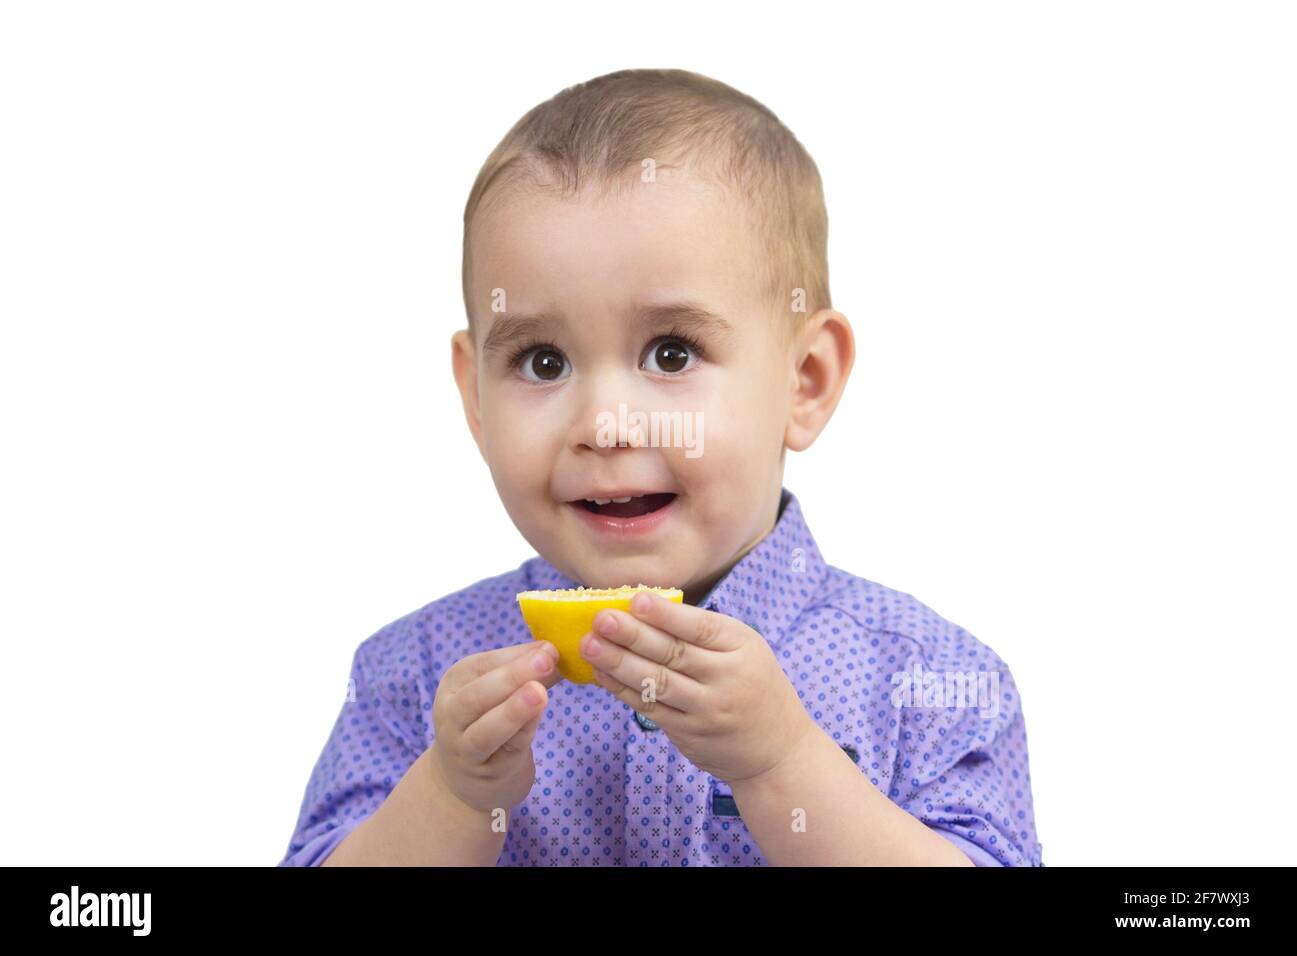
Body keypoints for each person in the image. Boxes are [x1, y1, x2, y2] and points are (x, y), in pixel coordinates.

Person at [278, 68, 1042, 866]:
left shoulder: (933, 680)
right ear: (475, 395)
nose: (604, 425)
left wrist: (783, 763)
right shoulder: (413, 676)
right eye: (542, 362)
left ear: (804, 380)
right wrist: (448, 797)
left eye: (672, 353)